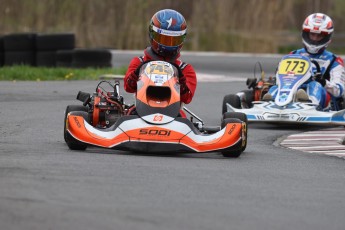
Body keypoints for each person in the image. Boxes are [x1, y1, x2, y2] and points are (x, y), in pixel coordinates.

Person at [264, 13, 345, 110]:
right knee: (276, 88)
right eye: (312, 34)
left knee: (315, 85)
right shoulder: (293, 55)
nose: (315, 39)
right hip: (291, 89)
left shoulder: (334, 61)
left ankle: (307, 104)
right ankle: (269, 103)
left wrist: (324, 82)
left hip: (323, 99)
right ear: (306, 34)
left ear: (327, 37)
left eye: (319, 36)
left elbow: (340, 90)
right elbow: (279, 78)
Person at [124, 9, 197, 106]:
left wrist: (181, 81)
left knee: (183, 118)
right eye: (164, 39)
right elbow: (128, 88)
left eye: (173, 41)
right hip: (140, 112)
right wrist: (137, 73)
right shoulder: (139, 62)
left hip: (173, 114)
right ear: (152, 35)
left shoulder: (185, 69)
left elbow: (187, 98)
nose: (168, 45)